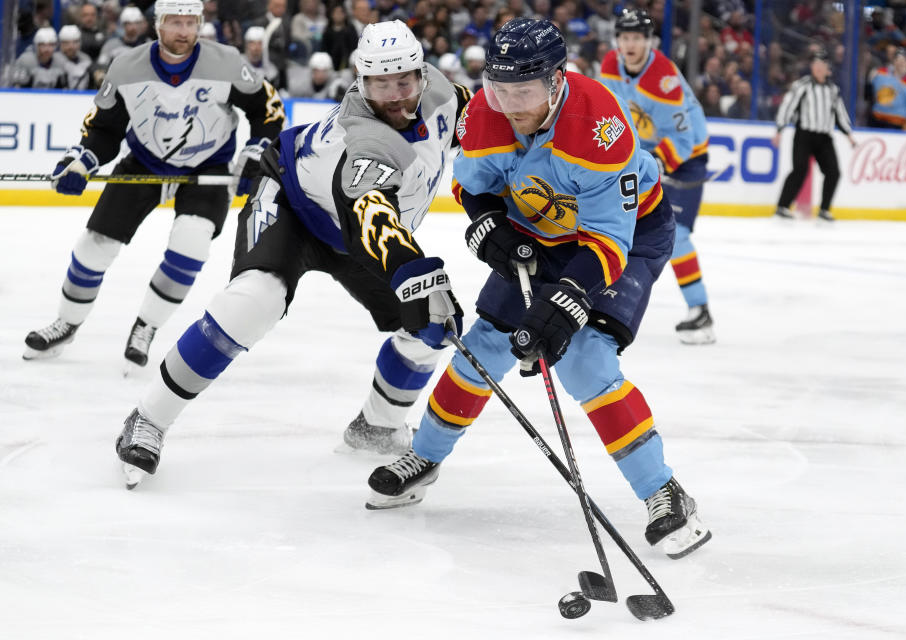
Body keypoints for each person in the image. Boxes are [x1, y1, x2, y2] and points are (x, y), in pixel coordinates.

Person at [367, 18, 712, 560]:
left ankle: (665, 493)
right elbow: (471, 187)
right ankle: (425, 456)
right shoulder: (485, 111)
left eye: (522, 91)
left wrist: (567, 303)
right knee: (484, 348)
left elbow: (607, 241)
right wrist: (488, 227)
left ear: (557, 80)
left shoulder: (599, 125)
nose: (508, 103)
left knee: (586, 363)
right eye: (499, 88)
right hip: (538, 230)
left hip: (627, 235)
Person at [113, 20, 473, 487]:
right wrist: (413, 273)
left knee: (427, 332)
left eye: (404, 81)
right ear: (361, 82)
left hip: (355, 231)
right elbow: (372, 217)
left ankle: (377, 425)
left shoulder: (444, 93)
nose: (395, 96)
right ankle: (148, 418)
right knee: (254, 301)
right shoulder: (365, 138)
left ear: (422, 74)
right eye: (380, 84)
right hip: (293, 203)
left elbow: (479, 119)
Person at [23, 0, 285, 369]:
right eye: (175, 22)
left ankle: (146, 326)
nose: (184, 31)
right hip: (144, 161)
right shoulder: (127, 67)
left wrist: (257, 152)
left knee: (190, 245)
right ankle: (65, 323)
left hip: (206, 167)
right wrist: (80, 161)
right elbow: (103, 129)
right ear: (157, 25)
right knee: (93, 247)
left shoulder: (226, 62)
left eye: (190, 22)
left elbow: (267, 110)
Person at [600, 9, 715, 345]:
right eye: (624, 37)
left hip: (686, 157)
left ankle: (700, 310)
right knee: (610, 225)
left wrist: (656, 163)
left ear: (649, 41)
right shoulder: (610, 64)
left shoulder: (663, 78)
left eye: (637, 37)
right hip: (643, 154)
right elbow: (609, 112)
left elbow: (685, 140)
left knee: (676, 235)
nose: (630, 44)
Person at [773, 49, 856, 222]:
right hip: (804, 135)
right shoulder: (802, 85)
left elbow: (840, 114)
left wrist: (849, 135)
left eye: (822, 65)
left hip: (824, 137)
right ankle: (783, 206)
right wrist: (780, 130)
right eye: (815, 64)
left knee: (833, 172)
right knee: (800, 169)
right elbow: (788, 107)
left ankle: (824, 209)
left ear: (828, 69)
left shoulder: (833, 90)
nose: (818, 68)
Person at [868, 48, 906, 133]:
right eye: (898, 59)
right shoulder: (880, 73)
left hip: (897, 126)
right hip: (876, 122)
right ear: (894, 61)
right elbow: (869, 88)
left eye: (904, 60)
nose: (901, 63)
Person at [55, 25, 94, 89]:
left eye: (75, 42)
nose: (71, 47)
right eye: (66, 43)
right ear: (60, 44)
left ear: (80, 43)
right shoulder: (54, 59)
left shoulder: (86, 59)